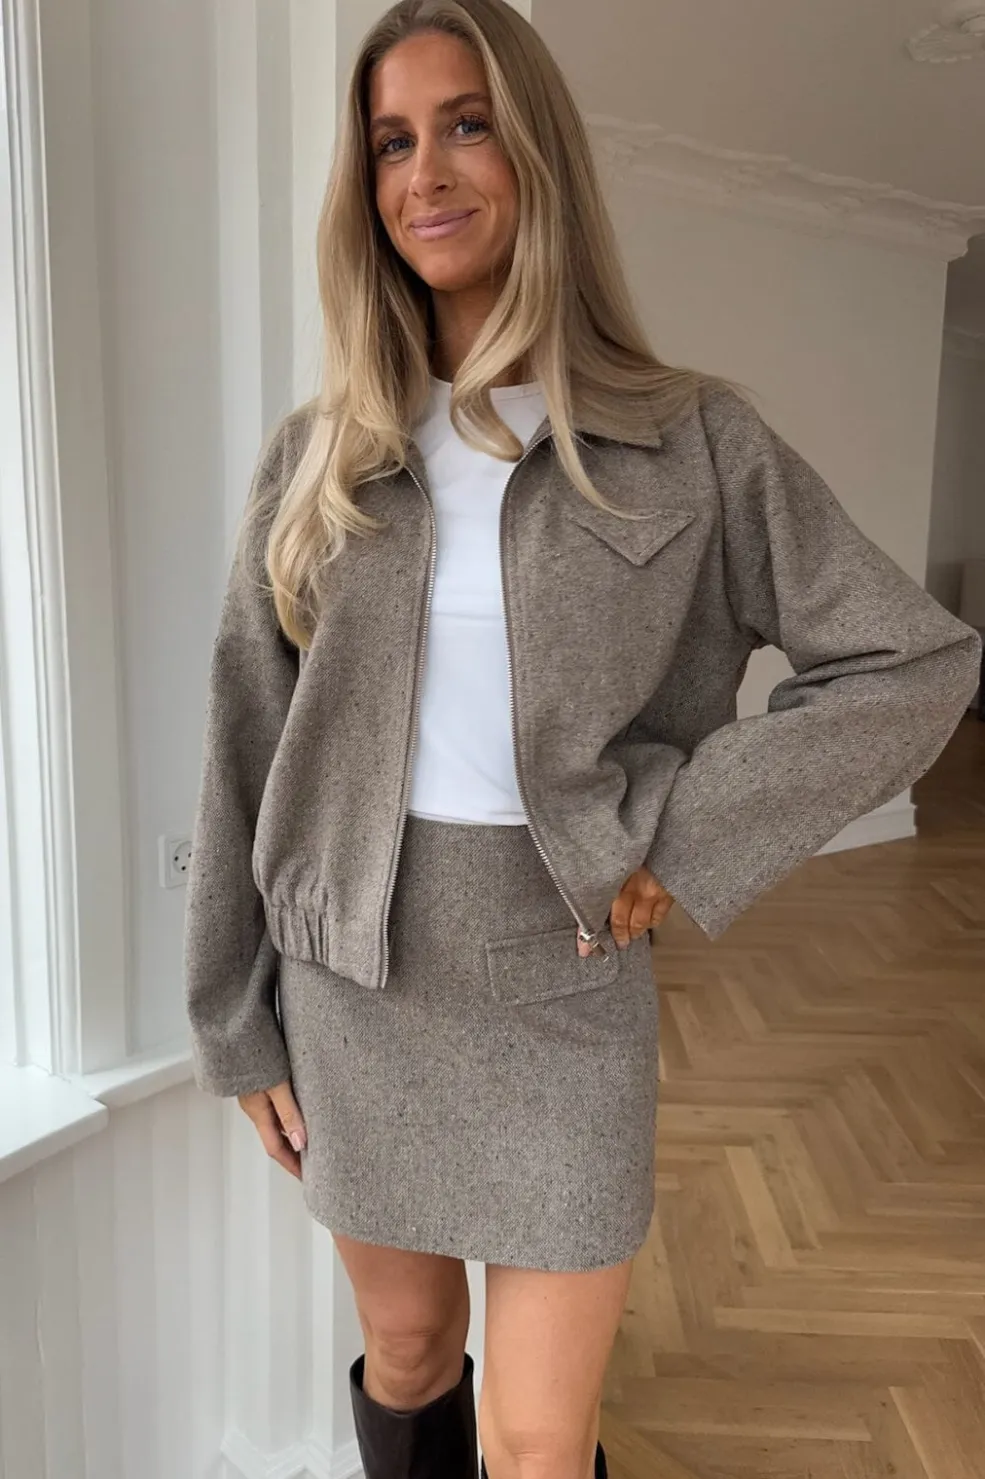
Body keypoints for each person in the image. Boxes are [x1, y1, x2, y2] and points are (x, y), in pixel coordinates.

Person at [182, 2, 982, 1476]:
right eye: (391, 143)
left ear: (536, 151)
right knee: (410, 1352)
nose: (427, 172)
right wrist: (234, 1021)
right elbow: (246, 737)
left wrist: (682, 834)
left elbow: (913, 660)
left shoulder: (692, 444)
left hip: (562, 982)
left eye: (467, 125)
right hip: (353, 983)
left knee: (542, 1443)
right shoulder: (317, 457)